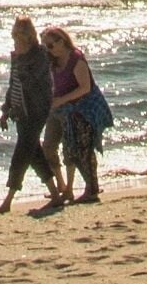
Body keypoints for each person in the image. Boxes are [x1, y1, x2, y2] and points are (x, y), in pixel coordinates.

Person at [0, 16, 65, 213]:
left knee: (21, 153)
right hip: (19, 111)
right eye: (14, 35)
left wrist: (22, 62)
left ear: (28, 36)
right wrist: (6, 110)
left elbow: (35, 82)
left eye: (19, 36)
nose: (16, 40)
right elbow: (13, 84)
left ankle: (8, 201)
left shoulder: (39, 55)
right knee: (35, 153)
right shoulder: (16, 56)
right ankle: (56, 195)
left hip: (36, 111)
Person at [42, 24, 111, 205]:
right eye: (45, 47)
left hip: (82, 108)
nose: (48, 50)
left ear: (62, 41)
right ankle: (62, 186)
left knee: (77, 149)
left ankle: (86, 189)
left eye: (50, 45)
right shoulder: (51, 61)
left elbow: (85, 88)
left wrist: (62, 99)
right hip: (58, 107)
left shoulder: (76, 58)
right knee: (48, 146)